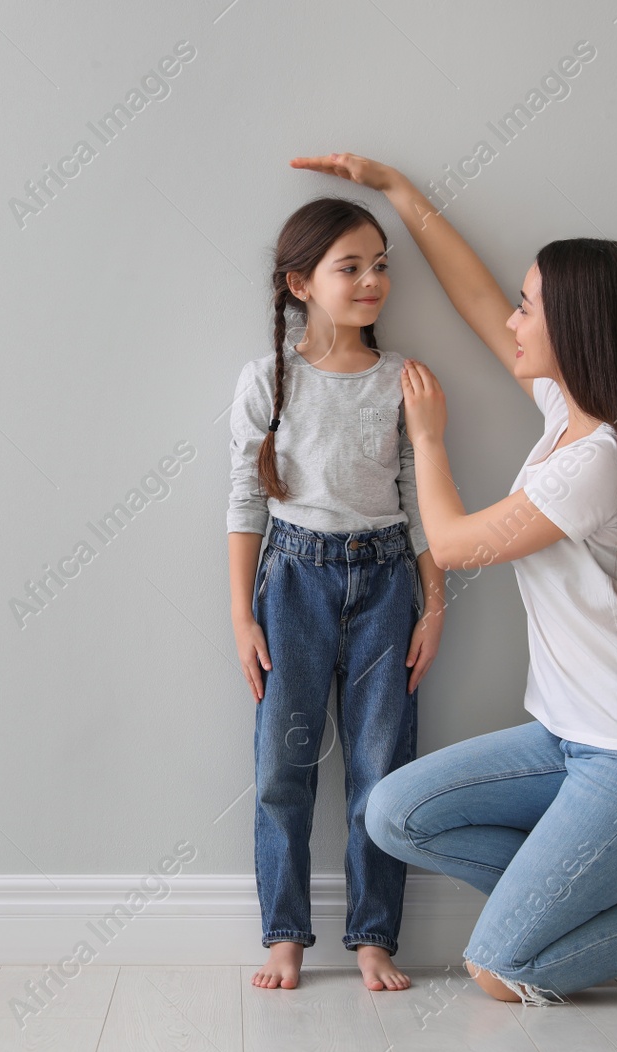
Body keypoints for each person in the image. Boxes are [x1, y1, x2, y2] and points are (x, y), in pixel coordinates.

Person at [282, 151, 617, 1006]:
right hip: (569, 739)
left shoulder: (596, 461)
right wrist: (400, 193)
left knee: (502, 969)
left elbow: (449, 544)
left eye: (531, 308)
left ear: (577, 329)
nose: (513, 322)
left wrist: (426, 437)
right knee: (394, 813)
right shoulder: (573, 412)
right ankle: (582, 892)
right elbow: (478, 299)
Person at [228, 196, 446, 993]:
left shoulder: (404, 381)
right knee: (282, 766)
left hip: (387, 581)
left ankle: (373, 937)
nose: (372, 279)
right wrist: (241, 613)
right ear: (300, 282)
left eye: (381, 263)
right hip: (291, 581)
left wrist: (435, 602)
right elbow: (244, 501)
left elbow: (420, 497)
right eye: (349, 266)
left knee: (380, 767)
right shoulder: (266, 381)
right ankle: (284, 934)